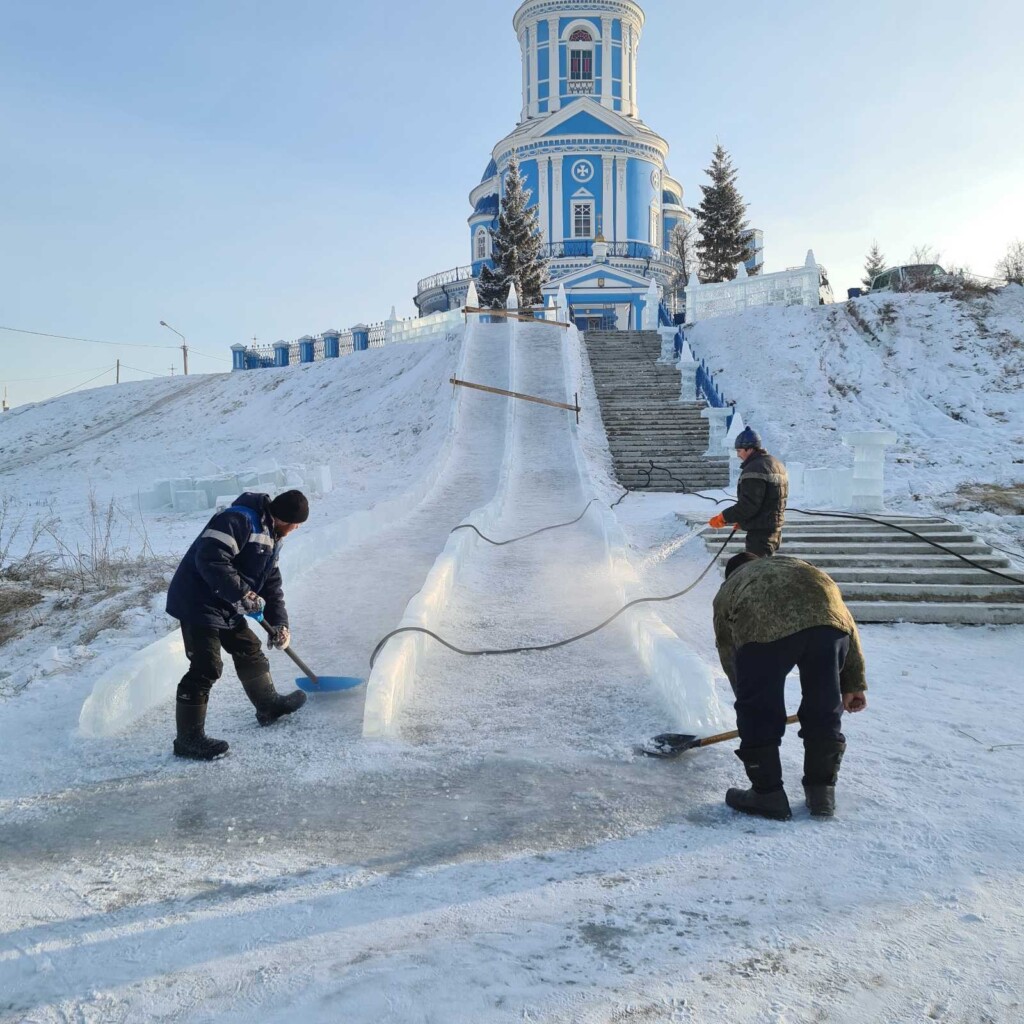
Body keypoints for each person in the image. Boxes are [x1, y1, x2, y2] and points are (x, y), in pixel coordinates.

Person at [712, 552, 868, 820]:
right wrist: (853, 683)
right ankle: (822, 794)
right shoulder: (801, 567)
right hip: (828, 626)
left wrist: (746, 697)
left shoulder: (731, 587)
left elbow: (728, 649)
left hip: (764, 630)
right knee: (823, 705)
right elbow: (846, 622)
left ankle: (767, 794)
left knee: (759, 711)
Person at [166, 489, 310, 760]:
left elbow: (271, 585)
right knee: (206, 666)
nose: (297, 529)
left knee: (249, 647)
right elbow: (209, 559)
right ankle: (188, 739)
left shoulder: (272, 537)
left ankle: (268, 706)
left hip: (225, 602)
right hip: (197, 600)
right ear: (284, 519)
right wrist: (242, 594)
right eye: (296, 524)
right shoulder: (239, 520)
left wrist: (280, 624)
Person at [708, 427, 788, 556]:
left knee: (757, 572)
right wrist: (745, 521)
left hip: (760, 534)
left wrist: (724, 517)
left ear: (749, 448)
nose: (738, 455)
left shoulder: (754, 469)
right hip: (773, 529)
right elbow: (769, 500)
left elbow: (749, 504)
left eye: (739, 450)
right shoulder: (775, 463)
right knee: (765, 567)